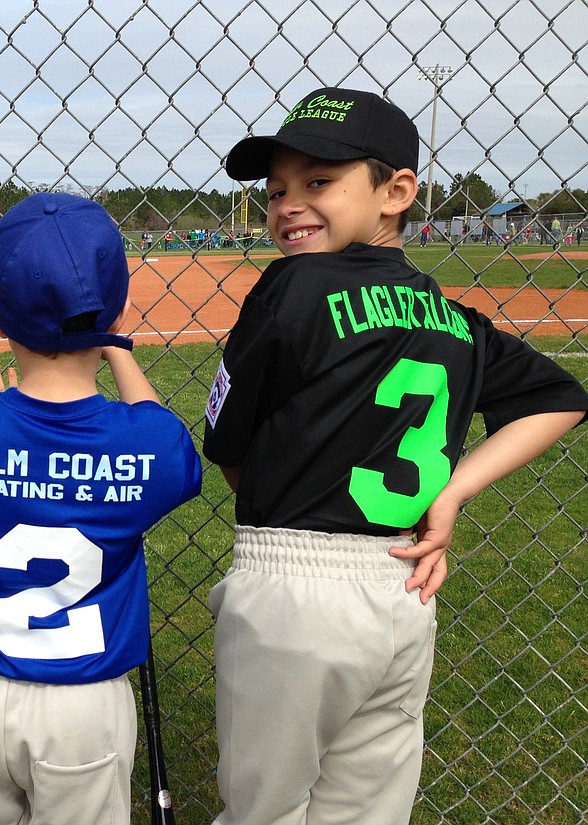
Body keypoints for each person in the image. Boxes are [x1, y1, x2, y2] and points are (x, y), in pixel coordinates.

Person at [203, 87, 588, 825]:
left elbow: (228, 444)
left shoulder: (293, 284)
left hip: (295, 579)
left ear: (397, 191)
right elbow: (562, 397)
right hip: (404, 589)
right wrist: (452, 490)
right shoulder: (453, 318)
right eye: (277, 189)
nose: (287, 204)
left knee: (266, 808)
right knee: (368, 807)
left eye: (318, 183)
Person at [0, 192, 202, 825]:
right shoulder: (148, 445)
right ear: (115, 308)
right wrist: (116, 344)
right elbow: (158, 430)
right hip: (85, 706)